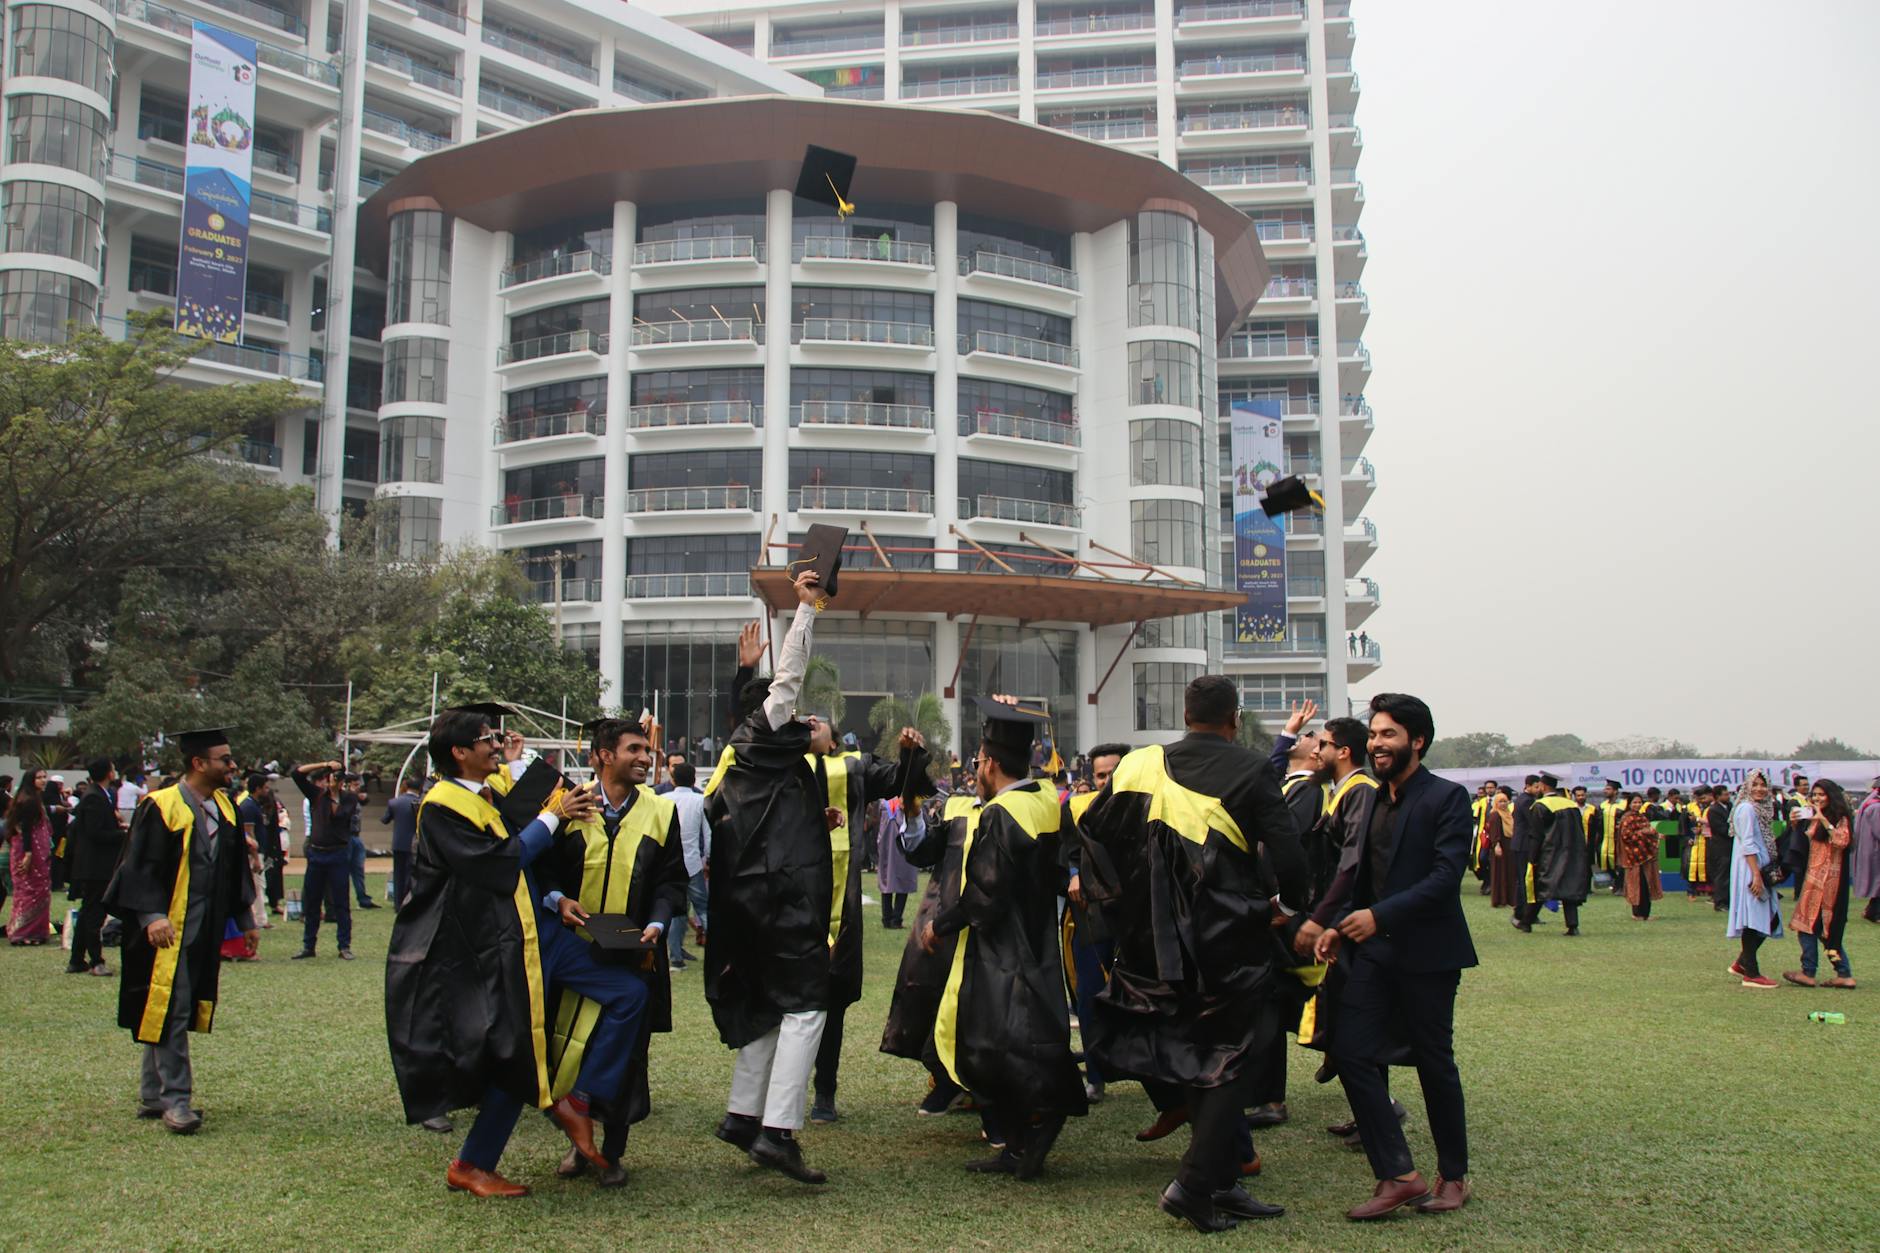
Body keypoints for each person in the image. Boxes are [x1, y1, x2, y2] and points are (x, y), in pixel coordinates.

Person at [1078, 678, 1306, 1230]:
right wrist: (1288, 905)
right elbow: (1289, 853)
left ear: (1185, 715)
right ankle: (1195, 1183)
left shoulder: (1140, 764)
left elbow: (1094, 830)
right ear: (1234, 718)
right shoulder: (1252, 769)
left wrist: (1132, 903)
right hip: (1229, 937)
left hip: (1157, 944)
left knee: (1203, 1054)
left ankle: (1222, 1181)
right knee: (1237, 1055)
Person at [385, 705, 621, 1197]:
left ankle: (480, 1159)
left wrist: (533, 786)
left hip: (503, 943)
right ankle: (484, 1155)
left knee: (511, 1052)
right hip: (466, 951)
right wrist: (554, 816)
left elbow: (515, 832)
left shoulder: (480, 796)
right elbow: (501, 861)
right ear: (459, 752)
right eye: (487, 740)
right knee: (503, 1050)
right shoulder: (443, 805)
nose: (496, 745)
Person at [1315, 693, 1476, 1221]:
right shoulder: (1371, 800)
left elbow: (1445, 878)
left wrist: (1378, 917)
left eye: (1388, 734)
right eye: (1374, 734)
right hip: (1373, 953)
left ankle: (1453, 1176)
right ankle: (1400, 1176)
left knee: (1434, 1063)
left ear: (1417, 741)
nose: (1377, 743)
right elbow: (1360, 876)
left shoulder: (1447, 798)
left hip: (1429, 955)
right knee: (1350, 1051)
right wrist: (1338, 926)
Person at [702, 569, 839, 1184]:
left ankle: (741, 1116)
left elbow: (763, 701)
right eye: (795, 715)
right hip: (783, 901)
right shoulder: (768, 732)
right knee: (807, 1006)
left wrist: (742, 674)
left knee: (769, 1006)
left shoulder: (748, 755)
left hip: (749, 902)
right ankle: (778, 1132)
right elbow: (787, 681)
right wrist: (806, 608)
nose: (804, 721)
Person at [917, 696, 1086, 1180]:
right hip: (1038, 937)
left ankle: (1040, 1121)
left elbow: (985, 895)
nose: (976, 771)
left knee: (993, 1044)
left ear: (990, 763)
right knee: (1028, 1038)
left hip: (1002, 948)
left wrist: (939, 924)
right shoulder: (1045, 801)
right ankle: (1016, 1144)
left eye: (978, 762)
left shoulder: (1000, 813)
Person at [537, 716, 687, 1187]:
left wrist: (659, 922)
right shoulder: (569, 805)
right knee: (569, 1043)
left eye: (646, 750)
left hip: (633, 952)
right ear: (604, 756)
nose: (645, 757)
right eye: (634, 750)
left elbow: (671, 880)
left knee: (627, 1054)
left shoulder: (660, 811)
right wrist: (557, 898)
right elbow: (540, 868)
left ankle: (613, 1151)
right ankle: (577, 1144)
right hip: (575, 951)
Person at [101, 728, 257, 1134]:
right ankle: (177, 1101)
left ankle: (153, 1093)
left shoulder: (225, 808)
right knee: (172, 1007)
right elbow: (138, 865)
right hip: (163, 929)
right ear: (199, 763)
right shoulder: (161, 805)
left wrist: (245, 921)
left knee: (168, 1005)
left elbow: (234, 869)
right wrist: (151, 915)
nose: (232, 765)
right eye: (225, 759)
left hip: (202, 928)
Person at [802, 716, 934, 1126]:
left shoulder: (855, 766)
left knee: (832, 1000)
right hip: (789, 900)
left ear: (833, 739)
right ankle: (775, 1094)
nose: (809, 720)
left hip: (840, 906)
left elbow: (899, 780)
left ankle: (825, 1090)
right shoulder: (783, 764)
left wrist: (910, 753)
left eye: (817, 720)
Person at [1063, 741, 1128, 1106]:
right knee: (1090, 995)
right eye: (1100, 775)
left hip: (1139, 918)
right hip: (1092, 915)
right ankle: (1096, 1075)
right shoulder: (1077, 808)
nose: (1105, 781)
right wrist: (1073, 874)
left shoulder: (1150, 807)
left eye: (1112, 773)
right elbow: (1067, 851)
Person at [1783, 780, 1855, 989]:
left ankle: (1818, 972)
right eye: (1814, 795)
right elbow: (1803, 844)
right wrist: (1795, 824)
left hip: (1830, 883)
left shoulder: (1840, 818)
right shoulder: (1812, 817)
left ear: (1831, 796)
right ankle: (1835, 973)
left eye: (1821, 795)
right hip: (1813, 879)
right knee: (1809, 924)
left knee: (1822, 927)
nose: (1816, 798)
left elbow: (1842, 841)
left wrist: (1823, 819)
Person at [290, 759, 358, 961]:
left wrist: (335, 793)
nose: (333, 780)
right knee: (312, 902)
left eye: (337, 777)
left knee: (341, 902)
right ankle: (308, 945)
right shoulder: (316, 795)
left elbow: (339, 817)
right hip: (317, 853)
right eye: (331, 777)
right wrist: (324, 764)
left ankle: (344, 946)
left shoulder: (349, 798)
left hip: (338, 853)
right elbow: (297, 774)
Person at [65, 759, 126, 975]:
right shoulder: (94, 797)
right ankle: (96, 961)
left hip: (96, 865)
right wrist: (123, 834)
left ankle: (76, 959)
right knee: (94, 914)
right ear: (108, 773)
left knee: (87, 912)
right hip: (95, 866)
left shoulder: (99, 794)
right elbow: (95, 833)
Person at [1725, 771, 1784, 989]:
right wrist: (1756, 875)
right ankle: (1751, 972)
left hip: (1757, 867)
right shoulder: (1747, 809)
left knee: (1769, 917)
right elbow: (1748, 843)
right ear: (1747, 787)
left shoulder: (1761, 809)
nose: (1760, 789)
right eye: (1755, 784)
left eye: (1763, 785)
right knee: (1755, 918)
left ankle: (1743, 962)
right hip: (1750, 869)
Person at [1523, 772, 1591, 936]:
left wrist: (1532, 857)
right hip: (1573, 853)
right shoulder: (1571, 805)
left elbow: (1536, 835)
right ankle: (1572, 925)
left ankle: (1526, 922)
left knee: (1541, 886)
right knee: (1569, 887)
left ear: (1543, 786)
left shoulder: (1541, 805)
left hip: (1550, 854)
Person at [664, 760, 710, 969]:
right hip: (693, 863)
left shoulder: (663, 800)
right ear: (694, 780)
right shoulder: (700, 801)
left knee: (677, 911)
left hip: (670, 864)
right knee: (703, 909)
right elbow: (708, 834)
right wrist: (709, 858)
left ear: (673, 780)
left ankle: (675, 957)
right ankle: (717, 953)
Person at [6, 773, 54, 945]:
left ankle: (32, 932)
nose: (43, 780)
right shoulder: (29, 801)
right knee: (31, 890)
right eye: (39, 777)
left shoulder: (29, 797)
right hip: (30, 851)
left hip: (31, 849)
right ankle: (24, 933)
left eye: (44, 776)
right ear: (30, 780)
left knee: (32, 889)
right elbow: (26, 829)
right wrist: (28, 854)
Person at [1617, 794, 1662, 922]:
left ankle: (1645, 914)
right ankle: (1638, 914)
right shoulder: (1627, 818)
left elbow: (1650, 832)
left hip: (1646, 857)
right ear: (1629, 804)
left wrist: (1653, 834)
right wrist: (1644, 832)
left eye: (1639, 802)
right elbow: (1626, 837)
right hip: (1634, 857)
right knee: (1637, 885)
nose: (1637, 805)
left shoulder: (1642, 817)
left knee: (1647, 884)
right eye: (1634, 802)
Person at [1507, 774, 1543, 927]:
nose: (1539, 789)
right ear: (1528, 786)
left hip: (1521, 844)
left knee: (1525, 880)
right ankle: (1521, 913)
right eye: (1536, 786)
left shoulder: (1523, 799)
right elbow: (1533, 822)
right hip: (1524, 845)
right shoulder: (1527, 801)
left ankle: (1528, 913)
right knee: (1524, 881)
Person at [383, 776, 421, 910]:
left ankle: (398, 903)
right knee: (411, 874)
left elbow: (385, 819)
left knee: (398, 874)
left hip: (398, 843)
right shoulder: (421, 802)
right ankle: (408, 902)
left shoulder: (394, 802)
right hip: (415, 843)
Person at [1485, 789, 1518, 909]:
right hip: (1500, 846)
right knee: (1499, 872)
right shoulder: (1495, 815)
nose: (1503, 804)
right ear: (1496, 803)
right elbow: (1494, 832)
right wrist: (1496, 845)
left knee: (1510, 872)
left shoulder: (1509, 814)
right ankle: (1499, 899)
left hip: (1510, 846)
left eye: (1505, 801)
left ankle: (1510, 899)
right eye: (1500, 802)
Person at [1588, 779, 1624, 892]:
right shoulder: (1602, 805)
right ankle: (1615, 882)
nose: (1605, 791)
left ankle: (1620, 885)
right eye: (1605, 789)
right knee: (1605, 862)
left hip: (1618, 840)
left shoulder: (1623, 805)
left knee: (1620, 863)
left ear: (1615, 791)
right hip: (1604, 840)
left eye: (1608, 789)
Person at [1854, 777, 1880, 924]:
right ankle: (1874, 913)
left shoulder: (1869, 804)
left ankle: (1871, 911)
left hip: (1870, 848)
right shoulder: (1876, 807)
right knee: (1877, 883)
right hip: (1875, 850)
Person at [1708, 783, 1736, 914]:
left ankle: (1729, 901)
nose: (1728, 796)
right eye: (1725, 794)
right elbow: (1721, 829)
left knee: (1729, 874)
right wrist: (1735, 830)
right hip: (1720, 847)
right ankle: (1720, 902)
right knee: (1722, 875)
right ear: (1717, 796)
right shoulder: (1713, 810)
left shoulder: (1730, 807)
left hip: (1730, 846)